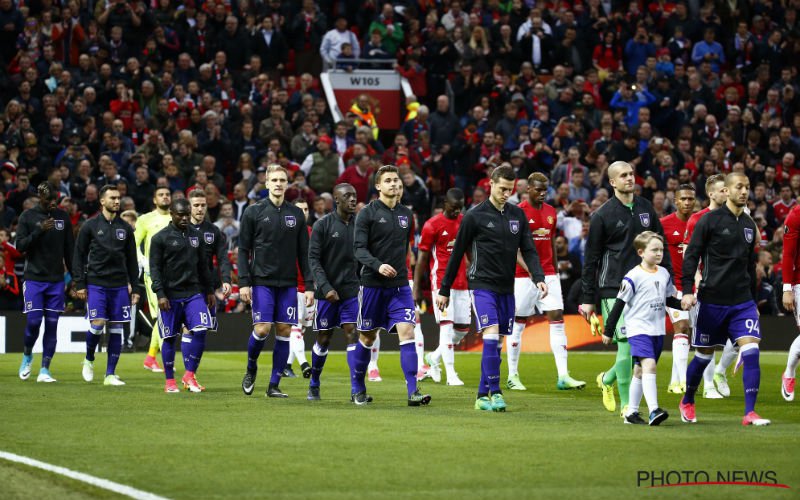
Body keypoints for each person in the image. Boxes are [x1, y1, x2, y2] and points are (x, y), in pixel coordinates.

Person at [437, 165, 548, 412]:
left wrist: (538, 276)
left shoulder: (516, 216)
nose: (506, 193)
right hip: (482, 285)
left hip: (506, 288)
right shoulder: (474, 217)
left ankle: (480, 395)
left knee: (497, 343)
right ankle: (496, 392)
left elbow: (528, 248)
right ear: (491, 183)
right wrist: (444, 290)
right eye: (502, 188)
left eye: (510, 189)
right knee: (491, 333)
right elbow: (456, 255)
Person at [580, 161, 670, 418]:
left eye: (632, 173)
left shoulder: (645, 208)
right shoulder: (602, 215)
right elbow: (591, 260)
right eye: (624, 175)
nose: (630, 178)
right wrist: (588, 299)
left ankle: (607, 379)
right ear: (612, 182)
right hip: (614, 288)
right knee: (627, 349)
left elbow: (660, 245)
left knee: (637, 353)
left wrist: (670, 282)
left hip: (646, 288)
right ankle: (626, 407)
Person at [680, 172, 770, 426]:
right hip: (711, 300)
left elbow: (750, 266)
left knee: (751, 351)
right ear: (727, 191)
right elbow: (691, 256)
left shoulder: (749, 226)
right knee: (703, 357)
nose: (744, 191)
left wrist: (752, 300)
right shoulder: (708, 221)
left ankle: (749, 412)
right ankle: (687, 400)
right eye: (739, 187)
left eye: (747, 187)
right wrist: (688, 290)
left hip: (741, 302)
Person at [353, 165, 430, 406]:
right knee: (367, 337)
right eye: (388, 181)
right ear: (378, 186)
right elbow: (358, 250)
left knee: (408, 332)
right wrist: (377, 265)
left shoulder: (407, 215)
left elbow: (406, 246)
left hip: (399, 286)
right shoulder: (367, 213)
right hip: (372, 285)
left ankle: (413, 391)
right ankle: (358, 388)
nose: (394, 184)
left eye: (396, 180)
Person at [240, 165, 311, 398]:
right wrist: (244, 282)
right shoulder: (253, 212)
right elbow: (243, 250)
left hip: (289, 283)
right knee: (262, 328)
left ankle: (273, 384)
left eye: (283, 180)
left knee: (284, 330)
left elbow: (304, 253)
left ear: (287, 184)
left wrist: (309, 285)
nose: (279, 184)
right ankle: (251, 367)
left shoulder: (296, 214)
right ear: (267, 183)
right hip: (262, 280)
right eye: (275, 180)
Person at [510, 173, 585, 391]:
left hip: (549, 273)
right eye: (538, 190)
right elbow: (514, 250)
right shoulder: (518, 212)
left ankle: (563, 375)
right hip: (523, 275)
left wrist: (552, 265)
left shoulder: (552, 212)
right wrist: (533, 272)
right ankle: (512, 375)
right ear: (528, 190)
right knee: (519, 321)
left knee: (557, 316)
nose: (543, 193)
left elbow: (550, 241)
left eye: (546, 190)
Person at [601, 232, 681, 425]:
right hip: (638, 329)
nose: (659, 253)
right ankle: (654, 410)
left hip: (657, 330)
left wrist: (683, 304)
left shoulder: (663, 274)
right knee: (649, 366)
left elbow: (668, 299)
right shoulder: (633, 276)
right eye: (654, 250)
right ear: (641, 252)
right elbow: (619, 304)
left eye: (661, 249)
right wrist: (608, 330)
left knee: (639, 370)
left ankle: (631, 413)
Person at [73, 184, 140, 386]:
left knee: (117, 327)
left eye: (118, 198)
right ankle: (89, 358)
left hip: (119, 284)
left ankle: (110, 374)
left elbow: (131, 261)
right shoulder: (90, 226)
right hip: (97, 283)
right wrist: (80, 283)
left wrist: (135, 288)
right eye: (112, 198)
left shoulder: (125, 228)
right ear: (102, 201)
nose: (117, 201)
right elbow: (79, 255)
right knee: (98, 322)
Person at [149, 198, 215, 393]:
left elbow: (204, 266)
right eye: (181, 214)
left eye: (187, 214)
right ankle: (170, 381)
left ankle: (189, 375)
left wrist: (209, 290)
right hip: (170, 295)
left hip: (194, 293)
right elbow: (155, 269)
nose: (185, 218)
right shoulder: (160, 238)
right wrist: (160, 294)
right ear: (172, 214)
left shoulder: (197, 236)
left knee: (201, 330)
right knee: (169, 337)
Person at [306, 183, 360, 400]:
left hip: (351, 292)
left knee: (353, 334)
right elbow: (313, 259)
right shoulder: (323, 225)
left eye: (354, 195)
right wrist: (325, 287)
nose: (353, 199)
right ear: (336, 200)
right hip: (327, 293)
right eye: (347, 196)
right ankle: (314, 381)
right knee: (324, 338)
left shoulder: (361, 225)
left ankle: (357, 389)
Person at [15, 182, 73, 382]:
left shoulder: (63, 217)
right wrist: (39, 230)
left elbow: (69, 251)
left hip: (56, 280)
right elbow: (20, 246)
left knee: (52, 323)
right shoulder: (27, 217)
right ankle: (27, 355)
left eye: (56, 200)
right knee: (33, 322)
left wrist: (77, 280)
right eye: (49, 200)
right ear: (41, 197)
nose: (53, 204)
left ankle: (45, 370)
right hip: (34, 279)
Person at [413, 188, 468, 386]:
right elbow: (422, 259)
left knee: (462, 329)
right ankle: (451, 374)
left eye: (459, 208)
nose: (456, 212)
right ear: (445, 204)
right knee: (447, 327)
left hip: (463, 282)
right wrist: (417, 289)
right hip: (441, 283)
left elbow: (469, 251)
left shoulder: (464, 221)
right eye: (453, 208)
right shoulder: (431, 226)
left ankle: (433, 358)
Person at [682, 174, 730, 399]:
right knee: (706, 338)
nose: (727, 193)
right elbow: (690, 254)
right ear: (711, 193)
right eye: (723, 190)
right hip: (706, 287)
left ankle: (720, 372)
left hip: (731, 287)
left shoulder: (737, 217)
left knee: (740, 340)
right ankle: (709, 384)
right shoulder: (697, 219)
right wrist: (696, 281)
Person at [188, 189, 232, 387]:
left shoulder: (213, 232)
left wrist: (226, 280)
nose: (199, 209)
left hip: (205, 287)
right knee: (189, 330)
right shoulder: (180, 229)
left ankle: (189, 374)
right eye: (196, 205)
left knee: (200, 330)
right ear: (189, 206)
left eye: (202, 205)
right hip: (182, 286)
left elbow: (223, 258)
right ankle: (184, 376)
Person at [659, 184, 696, 394]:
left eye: (691, 199)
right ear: (676, 201)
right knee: (681, 326)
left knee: (689, 333)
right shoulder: (664, 225)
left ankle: (674, 382)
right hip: (672, 287)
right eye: (683, 199)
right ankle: (683, 381)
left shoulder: (701, 224)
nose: (687, 203)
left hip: (694, 286)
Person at [136, 187, 172, 373]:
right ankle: (155, 358)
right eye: (161, 194)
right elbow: (134, 244)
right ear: (154, 199)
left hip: (174, 276)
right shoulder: (145, 219)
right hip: (153, 276)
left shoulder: (176, 218)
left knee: (168, 317)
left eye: (167, 194)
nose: (165, 197)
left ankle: (151, 357)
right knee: (161, 315)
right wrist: (144, 261)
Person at [284, 198, 313, 379]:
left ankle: (286, 365)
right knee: (295, 328)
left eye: (306, 208)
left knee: (301, 330)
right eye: (300, 209)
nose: (304, 212)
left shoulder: (313, 232)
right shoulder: (286, 232)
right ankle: (304, 363)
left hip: (309, 288)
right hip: (292, 286)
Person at [780, 203, 800, 402]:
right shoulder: (795, 215)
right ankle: (789, 373)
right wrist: (787, 288)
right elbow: (788, 254)